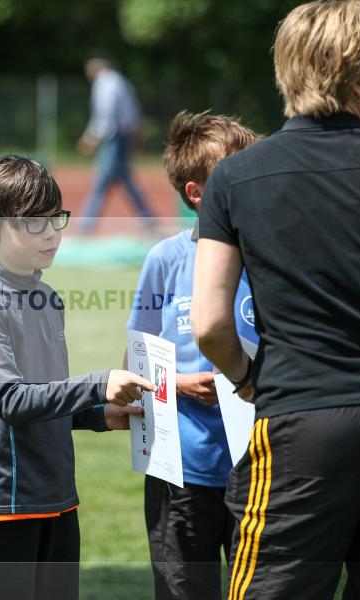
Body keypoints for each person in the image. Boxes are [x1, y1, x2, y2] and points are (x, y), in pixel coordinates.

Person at [190, 1, 360, 598]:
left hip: (304, 424)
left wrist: (245, 378)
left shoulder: (236, 178)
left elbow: (210, 322)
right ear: (359, 78)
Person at [0, 155, 153, 600]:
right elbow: (11, 401)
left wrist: (100, 413)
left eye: (54, 219)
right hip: (0, 508)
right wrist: (99, 383)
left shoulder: (47, 299)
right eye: (32, 224)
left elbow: (44, 399)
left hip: (58, 503)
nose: (51, 234)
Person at [127, 111, 258, 600]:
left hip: (259, 465)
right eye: (234, 172)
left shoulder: (271, 259)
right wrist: (180, 384)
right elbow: (136, 359)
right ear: (196, 193)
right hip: (180, 466)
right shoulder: (165, 260)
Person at [77, 58, 154, 233]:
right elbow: (132, 112)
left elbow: (106, 113)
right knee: (126, 180)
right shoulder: (120, 81)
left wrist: (92, 137)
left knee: (103, 179)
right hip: (122, 136)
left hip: (113, 137)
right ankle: (148, 218)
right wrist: (135, 136)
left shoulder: (105, 83)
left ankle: (87, 223)